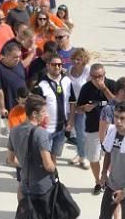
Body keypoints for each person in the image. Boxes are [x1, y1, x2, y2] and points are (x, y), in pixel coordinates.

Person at [6, 95, 79, 219]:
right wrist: (54, 167)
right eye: (44, 112)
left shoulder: (14, 131)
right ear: (35, 113)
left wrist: (27, 166)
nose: (46, 115)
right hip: (44, 188)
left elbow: (10, 160)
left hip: (24, 186)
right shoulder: (40, 134)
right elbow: (48, 165)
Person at [77, 63, 118, 193]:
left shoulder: (112, 84)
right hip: (93, 128)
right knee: (94, 158)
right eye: (95, 77)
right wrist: (84, 108)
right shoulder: (86, 88)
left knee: (113, 157)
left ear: (104, 74)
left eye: (101, 76)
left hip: (111, 129)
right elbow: (78, 108)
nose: (98, 79)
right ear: (90, 76)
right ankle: (98, 182)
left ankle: (109, 180)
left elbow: (118, 104)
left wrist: (104, 89)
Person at [32, 51, 75, 160]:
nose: (57, 67)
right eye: (54, 64)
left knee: (54, 156)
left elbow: (72, 102)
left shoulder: (67, 81)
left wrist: (70, 121)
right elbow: (36, 108)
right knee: (44, 157)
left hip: (62, 127)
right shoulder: (42, 85)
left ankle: (51, 176)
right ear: (47, 66)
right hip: (47, 128)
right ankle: (45, 175)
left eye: (59, 65)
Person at [68, 49, 92, 169]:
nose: (76, 61)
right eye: (74, 59)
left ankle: (83, 157)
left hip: (83, 107)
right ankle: (80, 153)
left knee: (81, 132)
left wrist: (86, 104)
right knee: (75, 132)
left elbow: (92, 89)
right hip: (71, 106)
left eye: (79, 59)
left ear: (84, 60)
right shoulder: (69, 70)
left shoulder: (88, 71)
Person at [0, 40, 27, 119]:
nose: (17, 59)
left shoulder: (19, 64)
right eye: (15, 57)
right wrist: (3, 108)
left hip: (23, 104)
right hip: (10, 105)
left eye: (19, 56)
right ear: (6, 56)